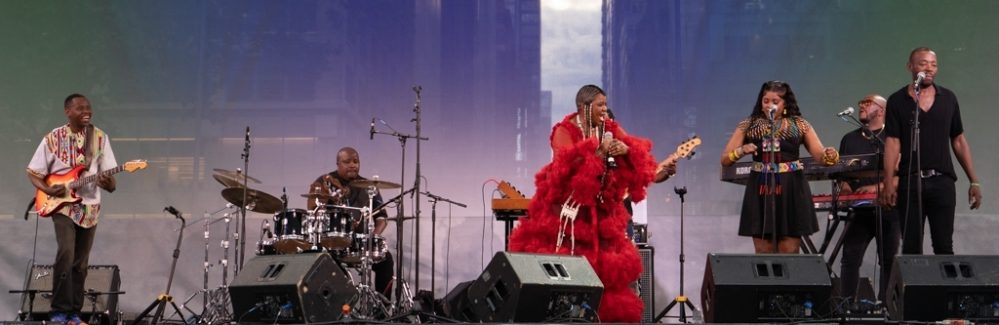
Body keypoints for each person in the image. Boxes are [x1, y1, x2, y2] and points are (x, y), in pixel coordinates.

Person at [508, 85, 657, 323]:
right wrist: (599, 153)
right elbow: (569, 173)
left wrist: (625, 149)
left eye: (606, 105)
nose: (605, 110)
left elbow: (639, 157)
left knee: (611, 280)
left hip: (602, 218)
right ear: (583, 107)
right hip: (569, 219)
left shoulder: (609, 127)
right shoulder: (563, 131)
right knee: (568, 279)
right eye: (600, 105)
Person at [881, 47, 982, 255]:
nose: (929, 68)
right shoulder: (897, 100)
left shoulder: (948, 98)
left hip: (942, 182)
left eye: (933, 64)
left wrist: (974, 180)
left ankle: (945, 289)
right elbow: (892, 143)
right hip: (910, 183)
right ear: (910, 67)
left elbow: (959, 140)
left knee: (944, 246)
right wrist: (889, 181)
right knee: (911, 247)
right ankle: (915, 289)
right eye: (923, 63)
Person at [27, 94, 118, 325]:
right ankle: (59, 310)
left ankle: (75, 313)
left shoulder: (100, 138)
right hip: (62, 206)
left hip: (90, 207)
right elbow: (33, 172)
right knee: (66, 253)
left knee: (81, 263)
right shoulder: (53, 138)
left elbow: (111, 184)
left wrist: (108, 182)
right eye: (80, 108)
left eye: (88, 107)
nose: (86, 111)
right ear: (68, 111)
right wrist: (47, 188)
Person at [720, 81, 839, 254]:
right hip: (761, 187)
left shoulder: (800, 124)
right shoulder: (748, 125)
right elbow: (725, 160)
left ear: (785, 104)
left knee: (789, 250)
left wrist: (829, 155)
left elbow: (820, 155)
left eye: (775, 101)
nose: (769, 105)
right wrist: (741, 150)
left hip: (791, 187)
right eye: (765, 100)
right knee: (763, 250)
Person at [836, 94, 900, 304]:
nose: (861, 106)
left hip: (889, 208)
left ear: (881, 110)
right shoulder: (849, 139)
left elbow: (902, 175)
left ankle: (887, 308)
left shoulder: (893, 137)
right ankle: (846, 305)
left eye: (867, 103)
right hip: (858, 211)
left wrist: (877, 187)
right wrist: (845, 189)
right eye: (860, 102)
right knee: (850, 258)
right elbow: (842, 175)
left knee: (889, 261)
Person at [307, 147, 395, 295]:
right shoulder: (325, 181)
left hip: (359, 243)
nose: (353, 165)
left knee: (386, 260)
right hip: (331, 242)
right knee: (324, 264)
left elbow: (382, 218)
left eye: (356, 161)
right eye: (347, 162)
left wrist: (373, 237)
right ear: (338, 163)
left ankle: (383, 309)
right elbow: (313, 211)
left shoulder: (368, 186)